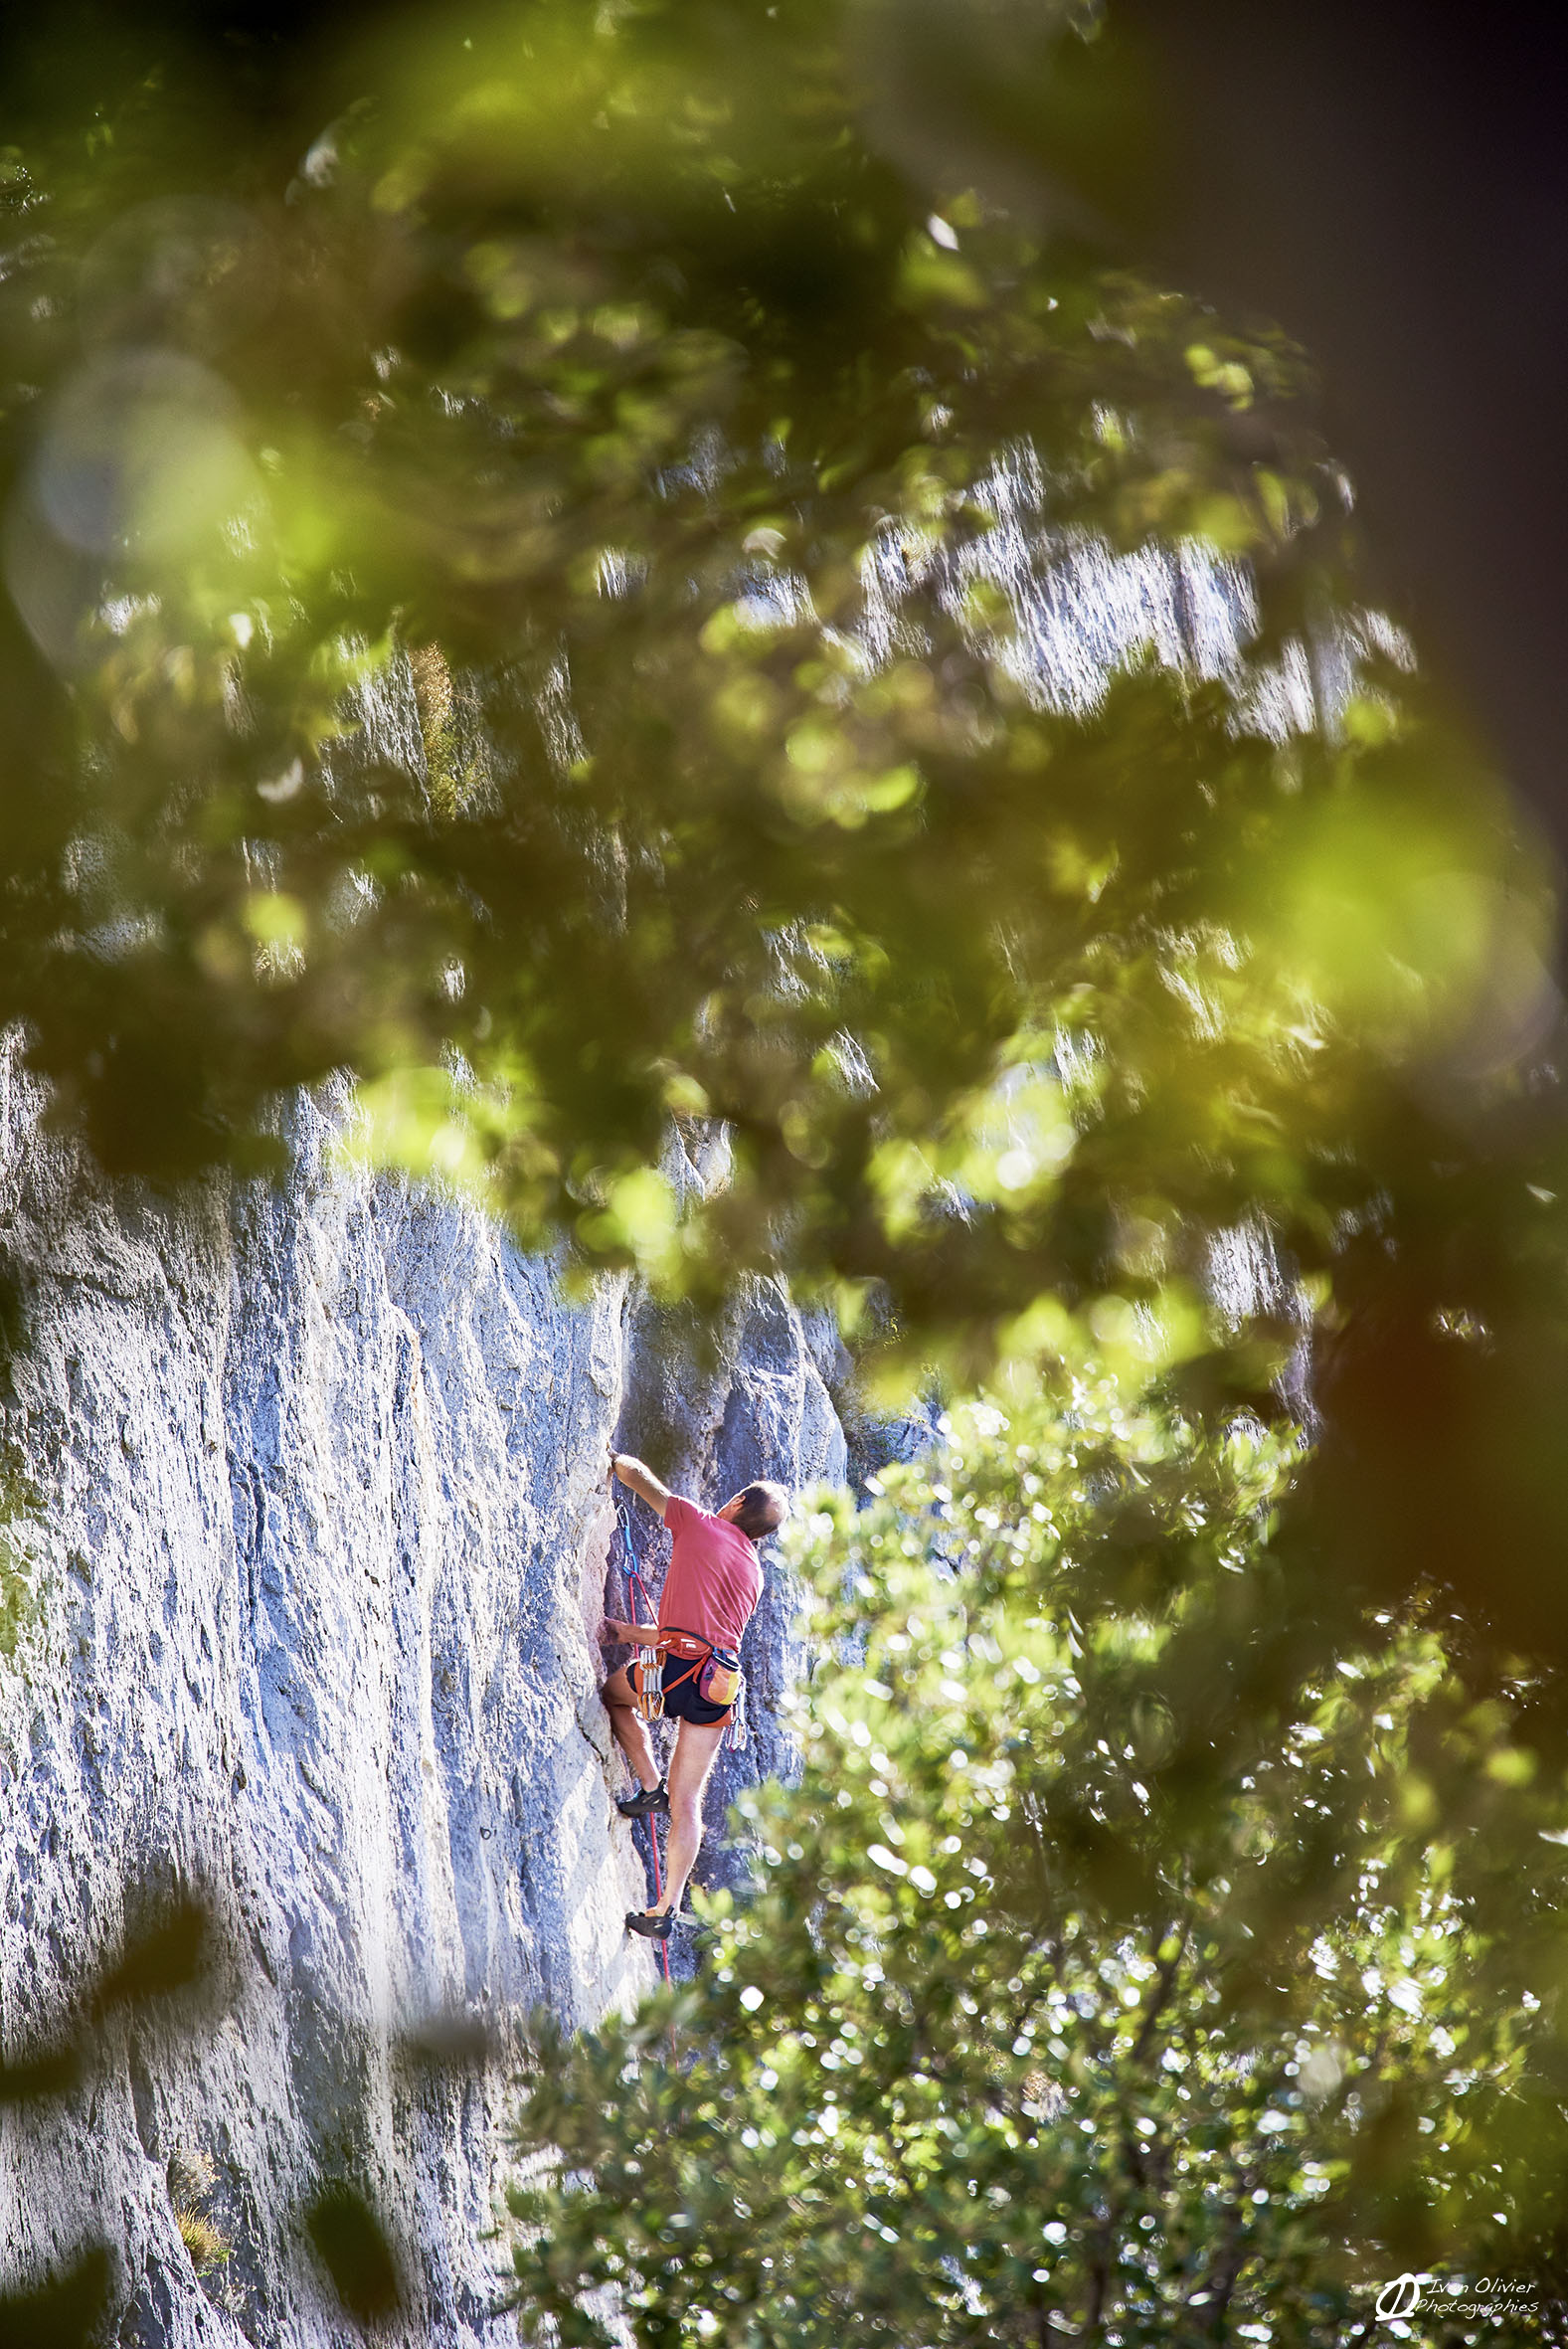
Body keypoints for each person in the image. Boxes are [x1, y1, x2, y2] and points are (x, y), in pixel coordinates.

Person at [600, 1451, 789, 1941]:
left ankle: (648, 1783)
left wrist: (616, 1458)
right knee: (688, 1802)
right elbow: (704, 1632)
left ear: (739, 1501)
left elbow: (639, 1478)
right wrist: (628, 1633)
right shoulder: (754, 1574)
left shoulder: (698, 1522)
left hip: (674, 1669)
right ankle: (666, 1907)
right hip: (718, 1686)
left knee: (614, 1696)